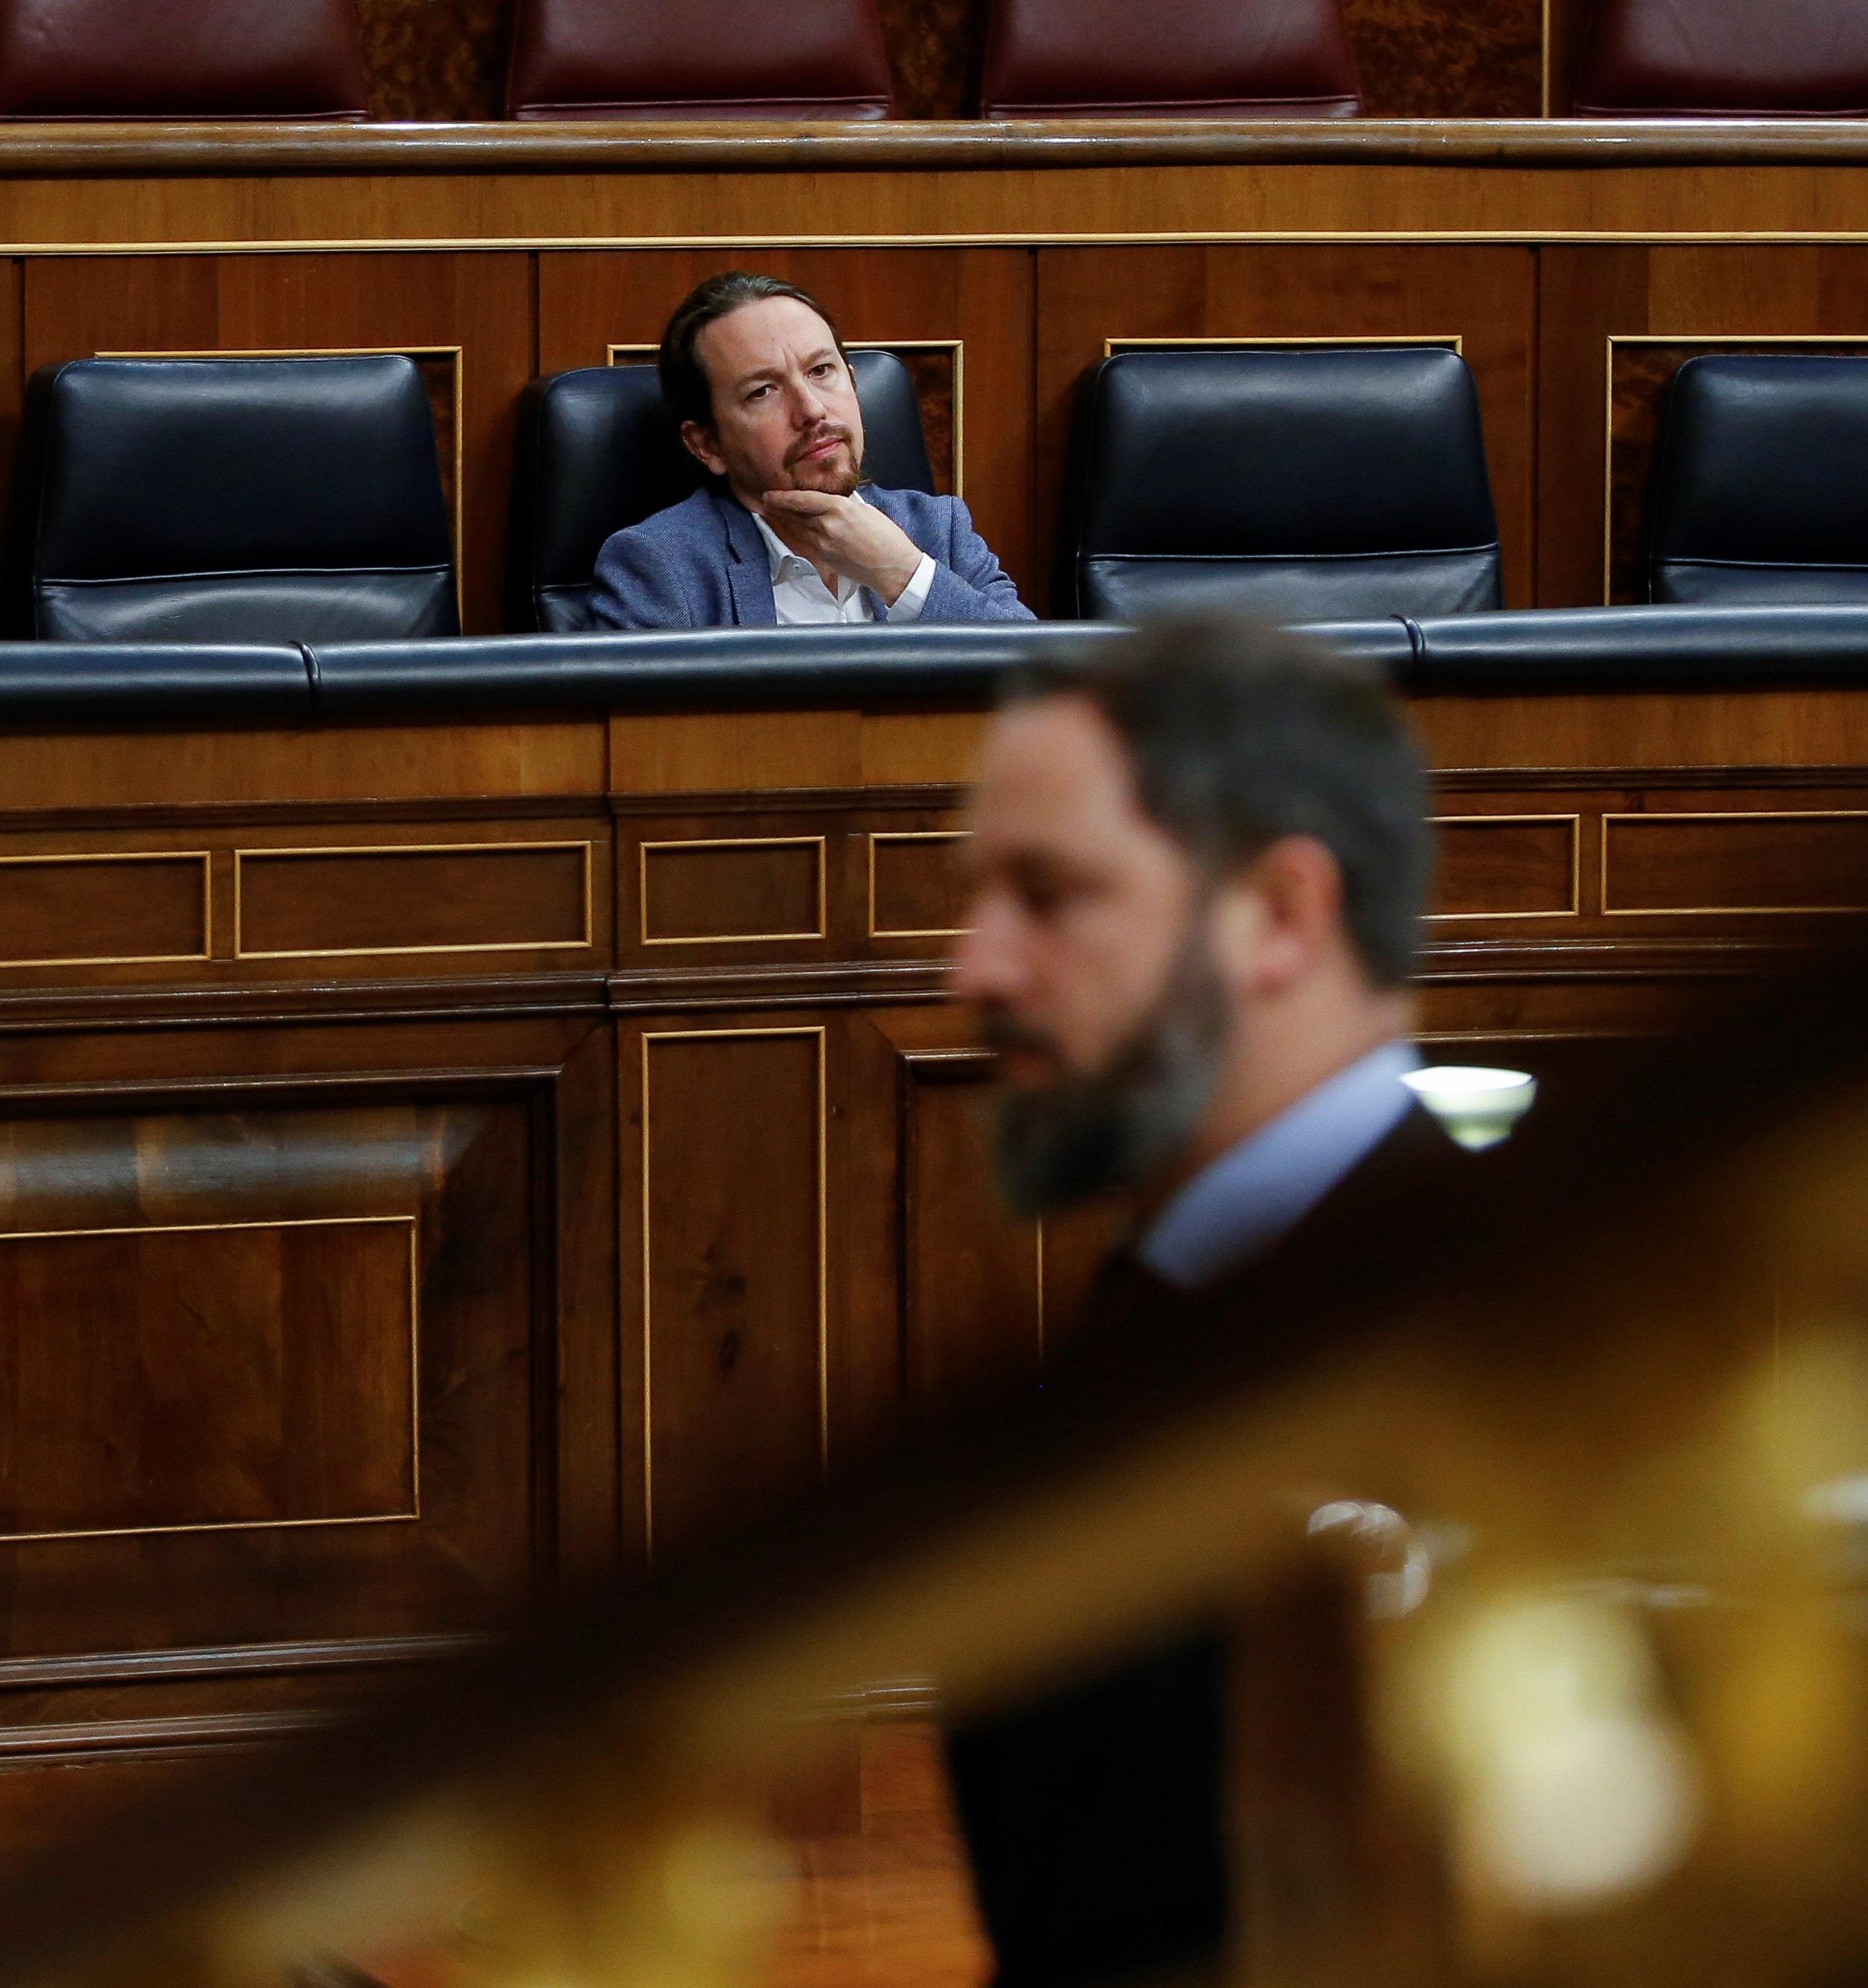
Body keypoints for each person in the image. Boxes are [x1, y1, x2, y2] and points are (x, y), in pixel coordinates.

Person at [938, 615, 1463, 1987]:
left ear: (1279, 916)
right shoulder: (1163, 1327)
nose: (973, 972)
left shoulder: (1485, 1339)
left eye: (1049, 896)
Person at [589, 271, 1033, 631]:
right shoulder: (662, 568)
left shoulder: (939, 533)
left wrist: (901, 573)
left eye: (822, 370)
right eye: (763, 391)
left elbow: (1044, 691)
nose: (812, 409)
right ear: (707, 445)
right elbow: (642, 740)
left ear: (854, 384)